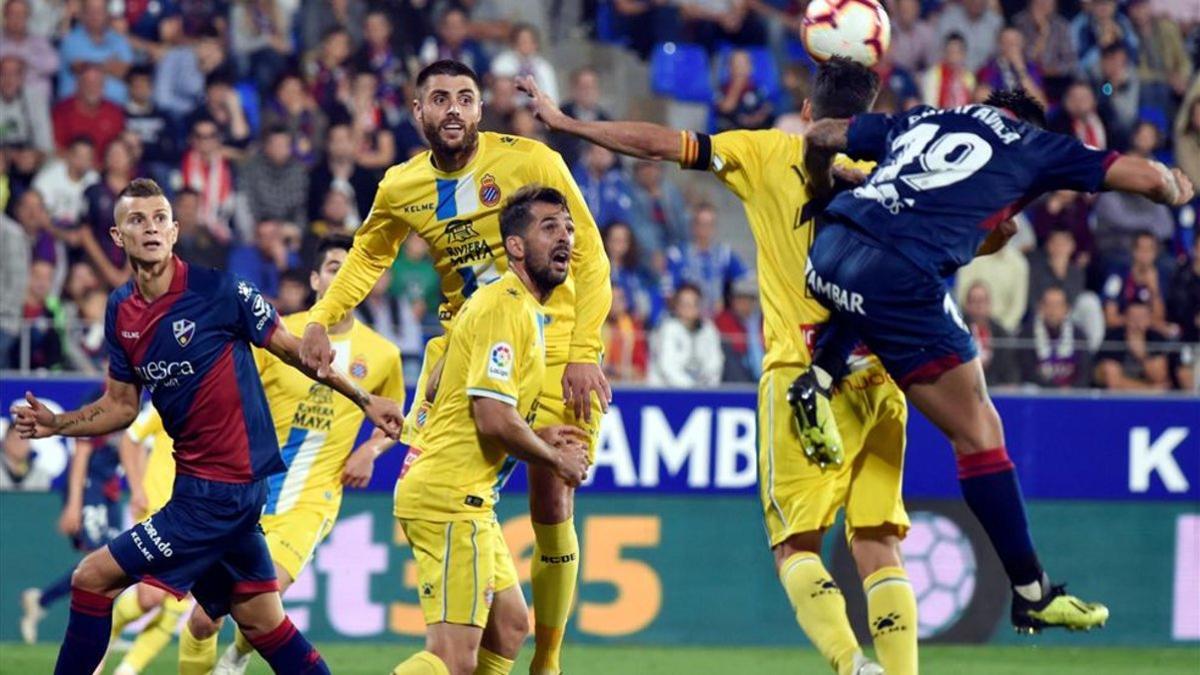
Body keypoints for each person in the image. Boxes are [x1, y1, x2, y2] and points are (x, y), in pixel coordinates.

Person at [519, 58, 915, 675]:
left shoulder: (766, 151)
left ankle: (851, 664)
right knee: (878, 541)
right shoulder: (894, 168)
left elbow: (661, 144)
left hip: (801, 372)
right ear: (867, 118)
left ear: (807, 112)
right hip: (881, 373)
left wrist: (571, 123)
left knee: (796, 544)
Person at [793, 87, 1192, 633]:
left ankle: (816, 376)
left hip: (828, 249)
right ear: (1028, 122)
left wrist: (823, 180)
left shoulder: (926, 118)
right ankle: (1032, 591)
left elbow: (820, 134)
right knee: (980, 428)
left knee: (875, 304)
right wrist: (1174, 188)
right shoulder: (1034, 145)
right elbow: (1146, 178)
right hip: (899, 272)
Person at [10, 177, 405, 675]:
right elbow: (121, 406)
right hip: (205, 488)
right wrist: (58, 423)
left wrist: (364, 399)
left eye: (159, 219)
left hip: (219, 492)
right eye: (137, 219)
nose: (150, 228)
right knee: (264, 624)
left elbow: (294, 349)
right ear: (117, 236)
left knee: (92, 578)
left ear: (174, 231)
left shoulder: (220, 291)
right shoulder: (121, 312)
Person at [298, 60, 612, 675]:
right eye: (439, 99)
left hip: (558, 351)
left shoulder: (531, 162)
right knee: (459, 485)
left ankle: (547, 660)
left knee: (553, 495)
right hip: (475, 350)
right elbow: (366, 255)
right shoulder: (400, 186)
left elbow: (591, 256)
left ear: (479, 111)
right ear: (418, 112)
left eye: (465, 98)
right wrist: (320, 314)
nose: (453, 110)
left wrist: (582, 351)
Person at [174, 234, 404, 674]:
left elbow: (395, 421)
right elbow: (233, 397)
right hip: (248, 495)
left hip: (310, 501)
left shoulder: (383, 355)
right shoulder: (277, 334)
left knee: (259, 602)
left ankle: (237, 656)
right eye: (334, 267)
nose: (343, 276)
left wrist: (371, 451)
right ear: (316, 279)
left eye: (353, 270)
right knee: (204, 619)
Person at [389, 184, 589, 675]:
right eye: (548, 228)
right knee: (453, 660)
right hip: (452, 497)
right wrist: (553, 458)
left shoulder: (517, 307)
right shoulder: (505, 307)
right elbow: (492, 417)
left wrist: (540, 441)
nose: (564, 238)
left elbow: (446, 390)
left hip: (459, 492)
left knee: (510, 626)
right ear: (515, 247)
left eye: (567, 228)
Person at [19, 410, 125, 645]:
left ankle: (42, 600)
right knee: (100, 559)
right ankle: (95, 629)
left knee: (115, 560)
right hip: (89, 484)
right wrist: (74, 504)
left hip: (110, 487)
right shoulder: (99, 399)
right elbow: (81, 453)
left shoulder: (134, 395)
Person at [649, 283, 724, 387]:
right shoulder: (666, 328)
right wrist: (691, 388)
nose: (688, 308)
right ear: (676, 306)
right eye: (684, 304)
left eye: (693, 303)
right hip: (666, 391)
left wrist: (704, 386)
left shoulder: (709, 329)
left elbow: (715, 363)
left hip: (703, 390)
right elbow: (667, 367)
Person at [1019, 286, 1093, 388]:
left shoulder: (1079, 335)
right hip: (1040, 394)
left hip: (1073, 394)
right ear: (1040, 307)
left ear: (1066, 308)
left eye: (1058, 305)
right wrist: (1055, 389)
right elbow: (1027, 372)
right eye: (1048, 305)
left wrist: (1071, 389)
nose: (1053, 311)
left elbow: (1085, 371)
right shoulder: (1026, 334)